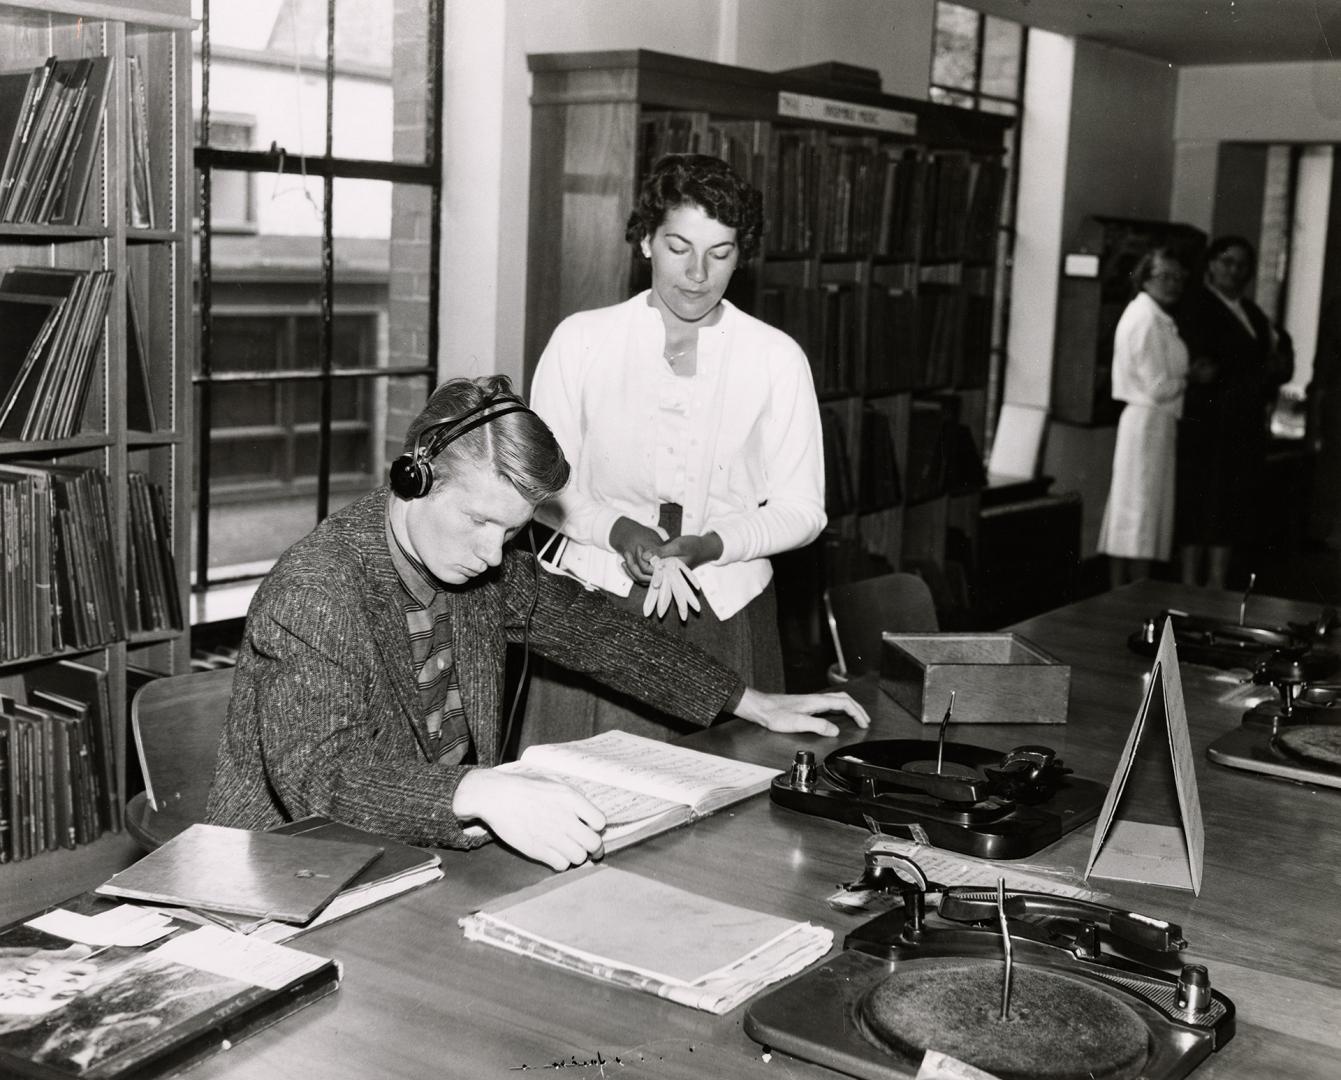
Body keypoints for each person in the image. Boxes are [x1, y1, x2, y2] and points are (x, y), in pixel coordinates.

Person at [206, 375, 867, 872]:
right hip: (295, 874)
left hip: (419, 853)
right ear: (414, 479)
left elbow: (598, 633)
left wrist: (747, 700)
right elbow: (320, 775)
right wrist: (476, 790)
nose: (495, 554)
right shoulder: (317, 589)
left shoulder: (478, 569)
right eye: (479, 522)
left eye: (513, 531)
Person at [523, 153, 825, 747]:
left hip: (728, 610)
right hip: (598, 607)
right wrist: (618, 532)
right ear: (645, 243)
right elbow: (541, 487)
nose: (697, 274)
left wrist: (714, 544)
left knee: (730, 805)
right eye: (678, 247)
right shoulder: (581, 340)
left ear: (742, 255)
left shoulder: (776, 358)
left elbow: (803, 510)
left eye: (721, 253)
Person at [1176, 235, 1293, 588]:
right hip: (1207, 421)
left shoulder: (1251, 311)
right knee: (1200, 502)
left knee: (1228, 505)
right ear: (1211, 264)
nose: (1234, 271)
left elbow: (1276, 353)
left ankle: (1216, 585)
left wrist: (1272, 367)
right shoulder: (1196, 304)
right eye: (1227, 261)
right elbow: (1207, 363)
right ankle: (1187, 584)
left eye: (1242, 264)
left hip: (1242, 424)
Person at [1096, 246, 1190, 587]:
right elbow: (1159, 386)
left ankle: (1126, 594)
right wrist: (1191, 374)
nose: (1173, 283)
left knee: (1136, 514)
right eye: (1164, 276)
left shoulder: (1155, 317)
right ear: (1145, 279)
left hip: (1153, 422)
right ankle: (1129, 597)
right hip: (1148, 420)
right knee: (1139, 516)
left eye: (1178, 277)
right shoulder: (1145, 319)